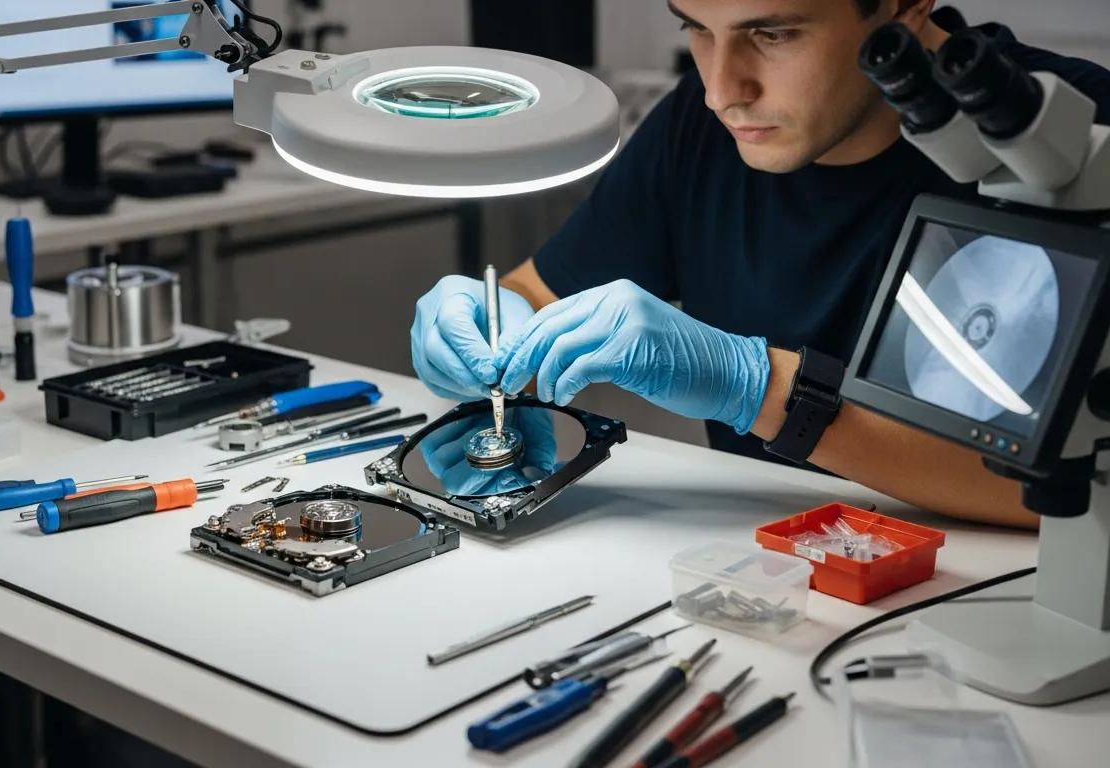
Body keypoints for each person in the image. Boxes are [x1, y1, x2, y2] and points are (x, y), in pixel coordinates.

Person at [410, 0, 1110, 528]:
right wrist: (494, 338)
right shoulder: (701, 122)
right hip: (764, 578)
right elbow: (541, 291)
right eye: (696, 27)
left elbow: (1059, 489)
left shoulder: (1071, 144)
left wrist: (756, 387)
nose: (722, 89)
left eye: (771, 34)